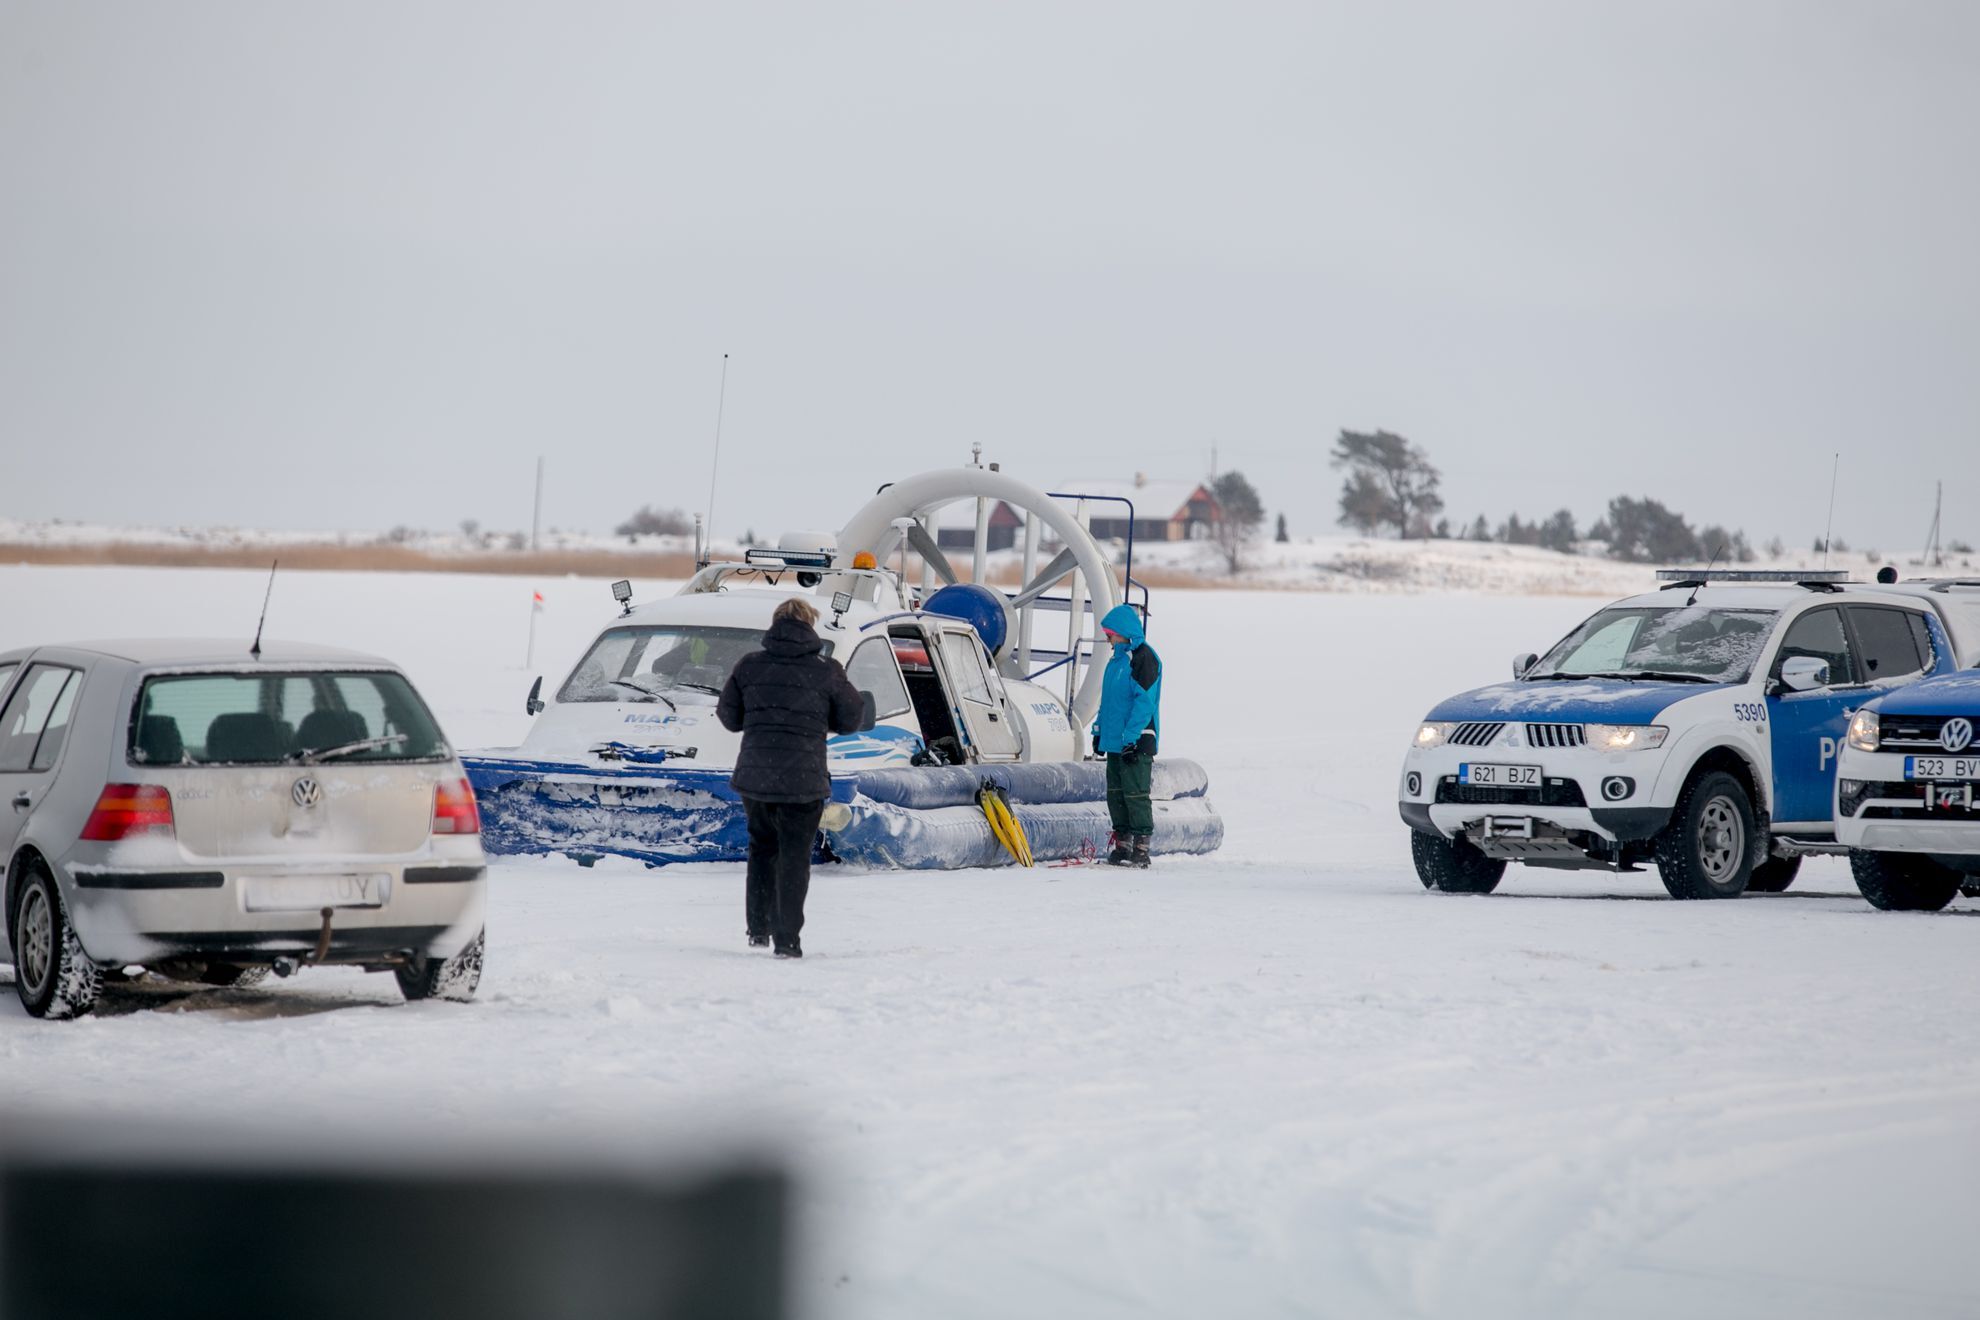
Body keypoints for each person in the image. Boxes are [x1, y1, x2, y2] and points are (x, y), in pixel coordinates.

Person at [717, 597, 865, 958]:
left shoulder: (749, 665)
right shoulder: (826, 669)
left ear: (775, 625)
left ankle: (758, 929)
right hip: (803, 781)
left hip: (756, 779)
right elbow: (851, 720)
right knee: (794, 859)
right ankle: (787, 940)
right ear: (810, 626)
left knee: (762, 850)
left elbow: (730, 718)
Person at [1091, 603, 1162, 868]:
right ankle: (1123, 845)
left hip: (1136, 742)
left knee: (1135, 794)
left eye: (1110, 634)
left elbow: (1144, 702)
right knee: (1116, 794)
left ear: (1122, 632)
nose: (1108, 639)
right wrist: (1098, 732)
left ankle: (1141, 848)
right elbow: (1108, 703)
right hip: (1115, 742)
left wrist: (1132, 738)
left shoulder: (1143, 658)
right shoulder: (1116, 662)